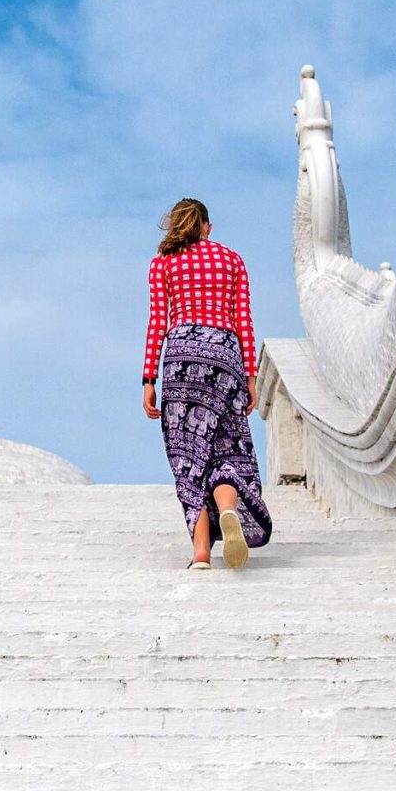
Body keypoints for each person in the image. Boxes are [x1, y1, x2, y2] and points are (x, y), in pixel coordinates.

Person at [141, 198, 273, 568]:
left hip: (182, 357)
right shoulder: (232, 261)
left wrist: (148, 378)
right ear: (207, 226)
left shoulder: (162, 264)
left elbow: (157, 325)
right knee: (228, 448)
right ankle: (228, 509)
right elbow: (244, 321)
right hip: (225, 357)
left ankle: (201, 553)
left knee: (188, 457)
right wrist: (250, 376)